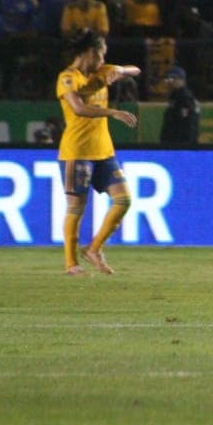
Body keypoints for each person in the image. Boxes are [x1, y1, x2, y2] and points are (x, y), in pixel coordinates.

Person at [56, 30, 141, 275]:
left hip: (104, 151)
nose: (103, 60)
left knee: (123, 200)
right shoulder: (68, 78)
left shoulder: (102, 72)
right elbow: (79, 108)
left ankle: (94, 248)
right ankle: (71, 264)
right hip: (77, 151)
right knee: (76, 207)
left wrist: (120, 71)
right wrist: (112, 112)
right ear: (89, 53)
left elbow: (134, 70)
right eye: (101, 54)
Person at [159, 66, 200, 146]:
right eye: (167, 79)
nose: (169, 81)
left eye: (173, 78)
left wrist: (185, 146)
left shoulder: (185, 98)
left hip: (180, 146)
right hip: (173, 145)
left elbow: (189, 126)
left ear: (182, 80)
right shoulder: (175, 98)